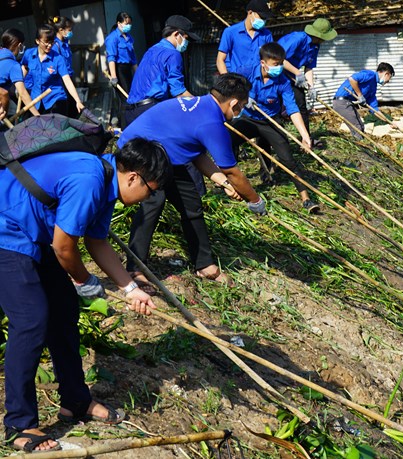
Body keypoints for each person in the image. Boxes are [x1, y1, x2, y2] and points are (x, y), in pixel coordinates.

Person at [0, 138, 171, 452]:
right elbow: (63, 247)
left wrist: (131, 290)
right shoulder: (90, 179)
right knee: (31, 320)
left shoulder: (106, 181)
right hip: (6, 229)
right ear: (134, 177)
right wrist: (84, 280)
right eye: (152, 188)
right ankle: (19, 424)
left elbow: (97, 242)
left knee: (64, 310)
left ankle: (76, 400)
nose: (150, 196)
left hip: (33, 231)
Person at [118, 73, 267, 286]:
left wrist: (223, 184)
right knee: (154, 202)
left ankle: (204, 264)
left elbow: (197, 154)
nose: (240, 112)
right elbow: (234, 171)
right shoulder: (212, 122)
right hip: (141, 152)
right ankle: (135, 268)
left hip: (169, 156)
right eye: (241, 106)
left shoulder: (204, 105)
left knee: (192, 205)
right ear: (233, 103)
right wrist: (254, 200)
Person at [233, 42, 318, 213]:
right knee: (226, 140)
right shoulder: (246, 70)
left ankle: (306, 199)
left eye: (281, 64)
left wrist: (305, 136)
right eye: (275, 64)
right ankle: (229, 183)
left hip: (270, 121)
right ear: (263, 63)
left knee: (288, 160)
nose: (279, 68)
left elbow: (293, 109)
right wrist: (243, 97)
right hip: (248, 119)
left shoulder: (283, 81)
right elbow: (228, 84)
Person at [123, 15, 200, 127]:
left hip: (131, 112)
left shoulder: (152, 49)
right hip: (149, 112)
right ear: (177, 34)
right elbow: (179, 92)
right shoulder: (173, 54)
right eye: (186, 38)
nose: (187, 43)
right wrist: (201, 105)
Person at [278, 18, 337, 147]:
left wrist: (311, 87)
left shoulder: (316, 45)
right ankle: (276, 140)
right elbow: (279, 59)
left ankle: (306, 139)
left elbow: (309, 66)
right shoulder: (297, 39)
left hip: (293, 76)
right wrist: (297, 73)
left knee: (301, 105)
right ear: (320, 35)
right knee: (275, 107)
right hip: (277, 74)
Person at [20, 24, 84, 117]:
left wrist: (77, 100)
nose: (49, 45)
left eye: (52, 42)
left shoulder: (58, 58)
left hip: (55, 99)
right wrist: (20, 85)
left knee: (55, 128)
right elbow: (25, 66)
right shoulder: (29, 54)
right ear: (37, 41)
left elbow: (67, 80)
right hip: (36, 100)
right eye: (46, 42)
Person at [332, 62, 394, 139]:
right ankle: (359, 146)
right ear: (386, 74)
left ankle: (360, 144)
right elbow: (352, 79)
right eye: (389, 78)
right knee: (357, 127)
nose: (388, 81)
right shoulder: (370, 75)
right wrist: (360, 95)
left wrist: (389, 122)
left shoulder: (373, 88)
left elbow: (375, 110)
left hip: (348, 103)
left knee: (361, 126)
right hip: (341, 102)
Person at [215, 0, 273, 78]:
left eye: (265, 18)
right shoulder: (230, 32)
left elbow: (271, 60)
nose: (263, 21)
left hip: (259, 83)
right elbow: (220, 60)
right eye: (261, 17)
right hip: (238, 82)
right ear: (250, 13)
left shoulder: (267, 34)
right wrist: (227, 81)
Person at [0, 29, 40, 118]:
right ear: (19, 45)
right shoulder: (13, 65)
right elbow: (22, 93)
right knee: (4, 94)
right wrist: (38, 116)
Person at [105, 12, 138, 96]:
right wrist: (114, 77)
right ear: (119, 23)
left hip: (128, 68)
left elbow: (133, 58)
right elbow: (111, 58)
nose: (129, 26)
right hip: (119, 70)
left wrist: (138, 73)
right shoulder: (112, 38)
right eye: (126, 24)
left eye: (130, 24)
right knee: (125, 96)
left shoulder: (129, 37)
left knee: (132, 93)